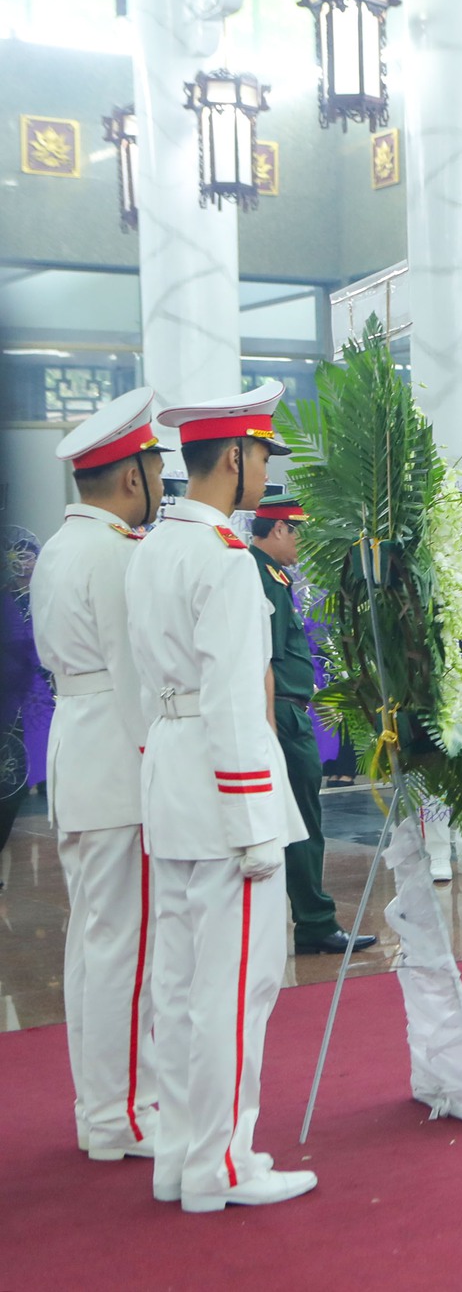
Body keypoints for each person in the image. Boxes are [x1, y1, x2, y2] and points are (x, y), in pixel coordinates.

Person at [131, 385, 316, 1211]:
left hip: (170, 778)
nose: (268, 474)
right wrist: (253, 824)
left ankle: (179, 1157)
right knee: (236, 987)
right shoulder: (224, 560)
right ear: (235, 458)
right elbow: (240, 703)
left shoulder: (152, 548)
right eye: (265, 457)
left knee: (177, 986)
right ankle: (224, 1166)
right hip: (220, 789)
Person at [32, 387, 165, 1164]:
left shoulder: (60, 545)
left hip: (77, 756)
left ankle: (99, 1108)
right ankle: (121, 1114)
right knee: (126, 947)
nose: (157, 480)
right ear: (128, 479)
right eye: (152, 466)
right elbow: (134, 680)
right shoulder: (114, 553)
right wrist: (165, 771)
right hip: (117, 763)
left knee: (94, 943)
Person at [250, 492, 377, 957]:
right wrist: (271, 723)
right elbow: (261, 657)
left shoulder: (271, 575)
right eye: (299, 532)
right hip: (279, 713)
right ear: (280, 529)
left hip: (281, 710)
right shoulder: (262, 578)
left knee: (298, 817)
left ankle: (310, 920)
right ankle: (315, 922)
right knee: (300, 820)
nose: (303, 544)